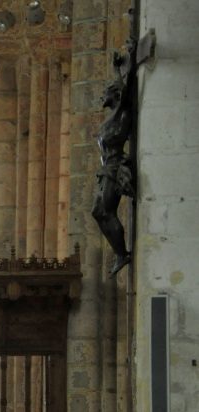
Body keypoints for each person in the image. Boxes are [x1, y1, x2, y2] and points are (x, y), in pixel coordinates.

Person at [92, 40, 136, 276]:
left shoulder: (122, 113)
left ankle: (121, 254)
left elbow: (127, 91)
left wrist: (131, 55)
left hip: (115, 167)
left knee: (103, 211)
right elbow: (122, 87)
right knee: (98, 211)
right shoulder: (113, 118)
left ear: (115, 96)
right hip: (106, 170)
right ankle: (121, 254)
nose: (103, 94)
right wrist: (116, 69)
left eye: (107, 91)